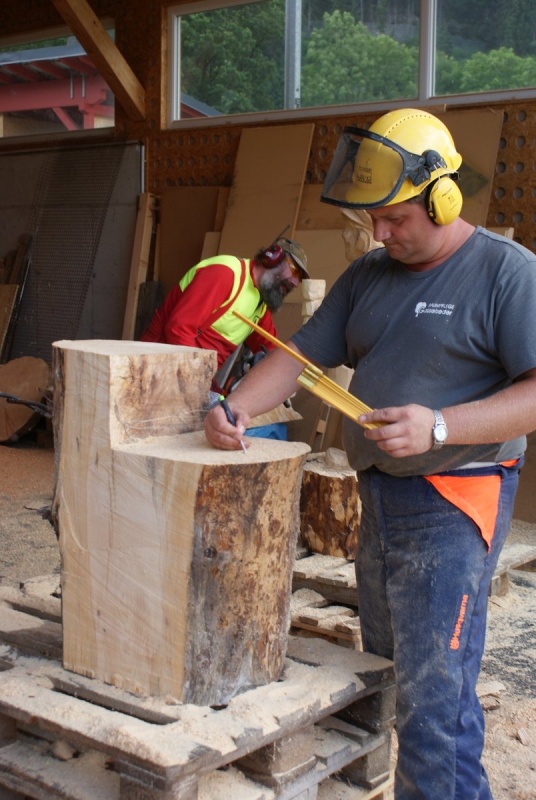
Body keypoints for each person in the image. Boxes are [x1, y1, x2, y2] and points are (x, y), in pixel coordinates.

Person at [204, 108, 536, 799]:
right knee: (389, 669)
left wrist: (439, 427)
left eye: (394, 218)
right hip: (381, 494)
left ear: (443, 198)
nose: (379, 233)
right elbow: (300, 358)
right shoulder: (369, 275)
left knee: (434, 701)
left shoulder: (507, 273)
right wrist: (238, 406)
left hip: (456, 499)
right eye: (374, 220)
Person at [140, 236, 309, 394]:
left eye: (299, 279)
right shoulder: (225, 274)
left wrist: (285, 375)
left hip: (195, 375)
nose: (295, 283)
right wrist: (198, 383)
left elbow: (270, 349)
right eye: (294, 271)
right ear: (273, 257)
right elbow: (178, 329)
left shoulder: (260, 305)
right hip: (158, 364)